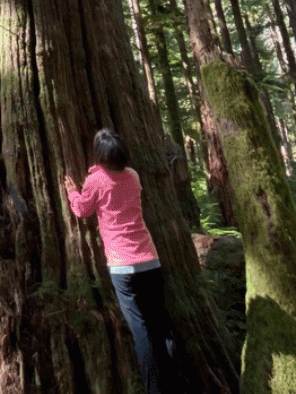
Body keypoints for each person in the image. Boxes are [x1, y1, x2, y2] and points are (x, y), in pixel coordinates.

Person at [64, 128, 176, 394]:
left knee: (141, 329)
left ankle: (154, 389)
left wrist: (71, 190)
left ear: (100, 157)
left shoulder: (96, 181)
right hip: (150, 260)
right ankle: (171, 378)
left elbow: (81, 209)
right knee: (160, 325)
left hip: (123, 267)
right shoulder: (134, 176)